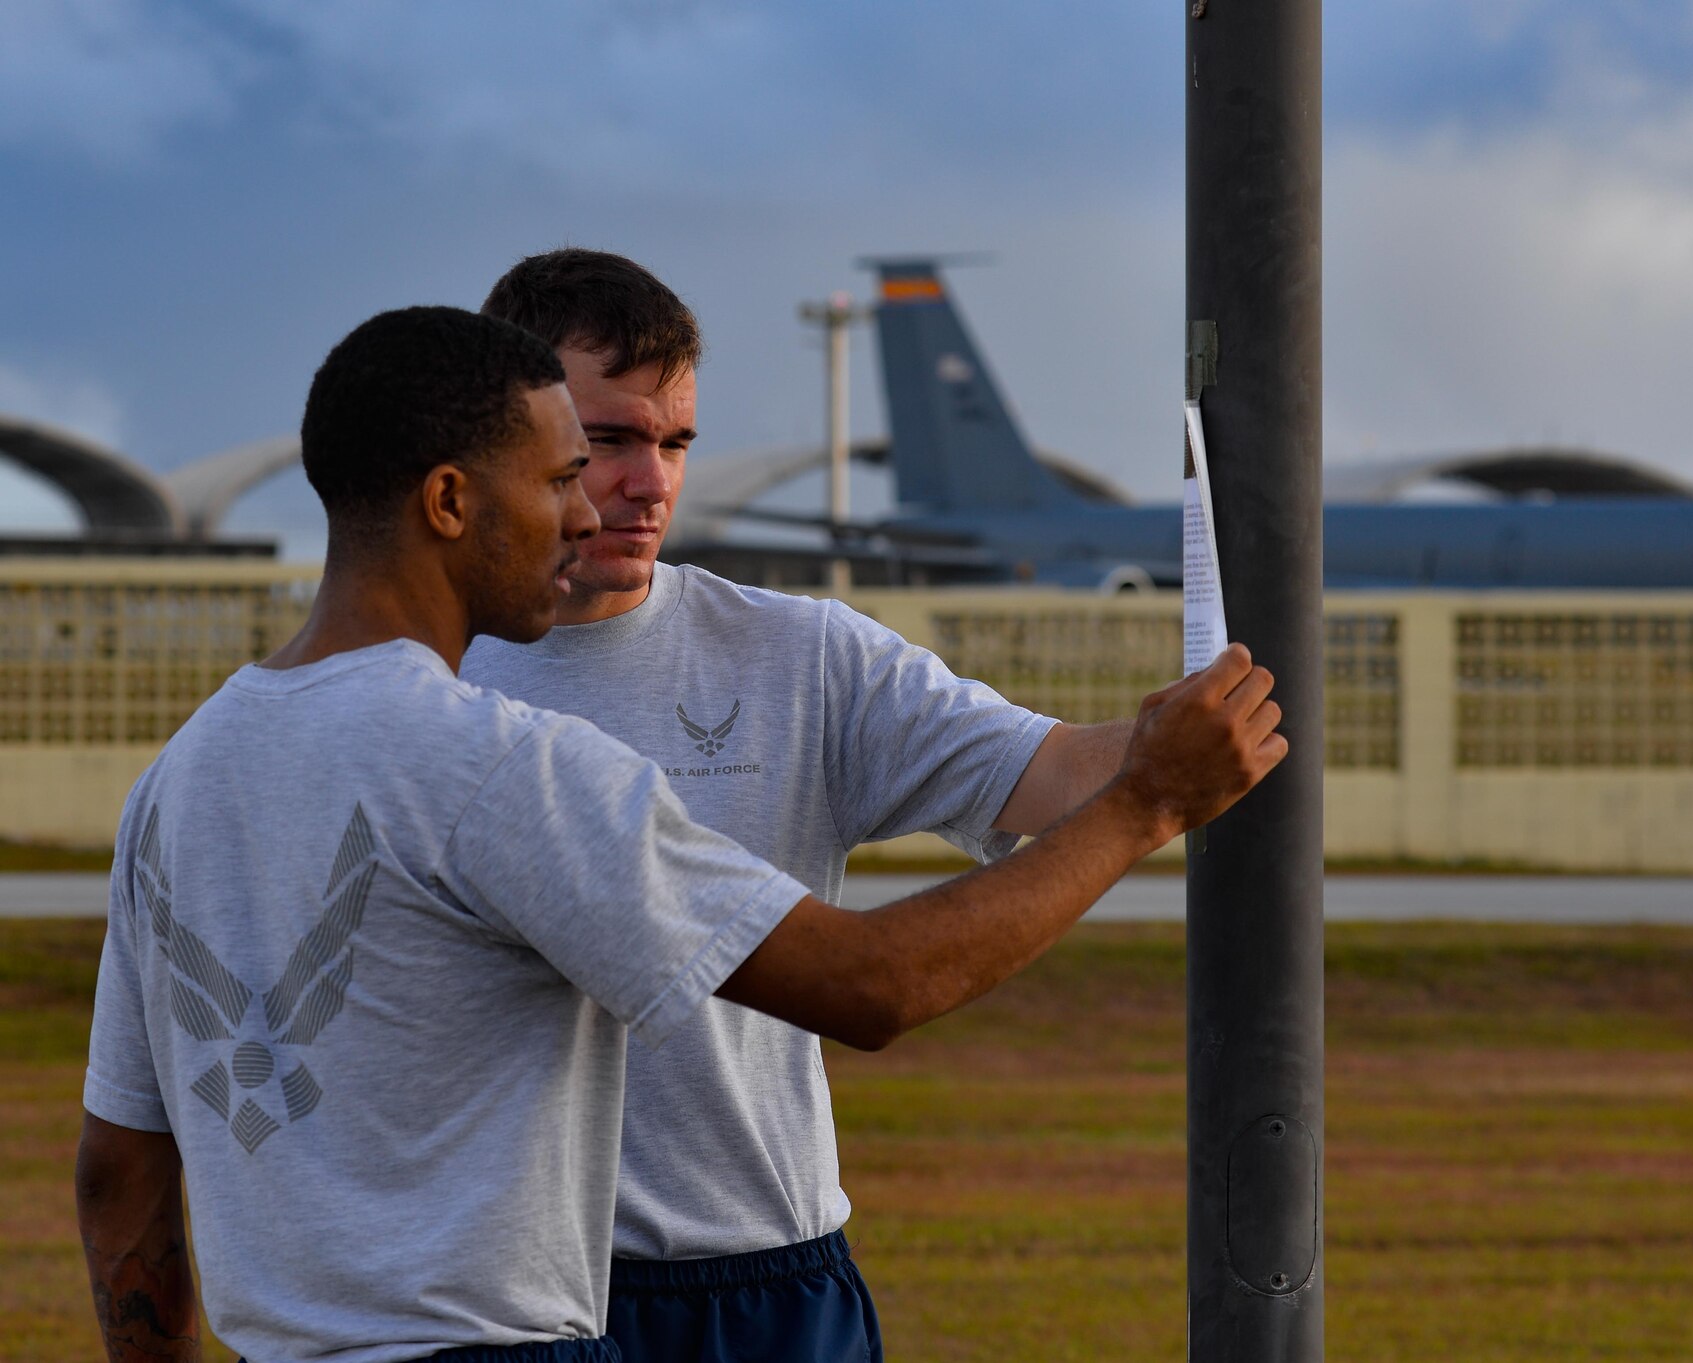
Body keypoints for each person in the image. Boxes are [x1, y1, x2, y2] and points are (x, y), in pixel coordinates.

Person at [74, 305, 1286, 1363]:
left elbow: (117, 1166)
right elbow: (872, 985)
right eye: (565, 472)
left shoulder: (182, 776)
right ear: (448, 500)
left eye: (662, 446)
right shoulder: (501, 762)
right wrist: (1148, 804)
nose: (594, 506)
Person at [465, 249, 1170, 1363]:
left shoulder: (798, 656)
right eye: (609, 440)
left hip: (765, 1279)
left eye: (676, 443)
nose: (650, 484)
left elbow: (1051, 773)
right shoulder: (420, 691)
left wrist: (1181, 741)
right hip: (511, 1299)